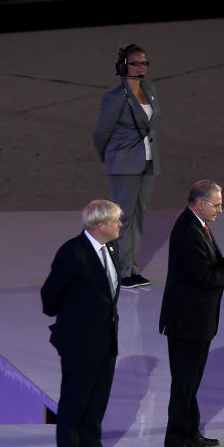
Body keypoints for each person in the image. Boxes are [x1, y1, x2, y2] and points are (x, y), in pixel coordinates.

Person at [159, 180, 224, 447]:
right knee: (184, 382)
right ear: (200, 204)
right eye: (216, 205)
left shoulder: (197, 225)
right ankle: (177, 440)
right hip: (186, 321)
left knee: (191, 380)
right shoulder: (188, 231)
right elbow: (201, 277)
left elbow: (206, 264)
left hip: (196, 320)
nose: (220, 210)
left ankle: (190, 432)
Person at [40, 199, 124, 447]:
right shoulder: (72, 252)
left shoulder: (111, 247)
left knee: (97, 401)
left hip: (106, 339)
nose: (120, 225)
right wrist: (73, 317)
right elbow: (49, 296)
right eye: (116, 221)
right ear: (100, 226)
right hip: (79, 342)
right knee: (74, 402)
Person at [92, 43, 161, 289]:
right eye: (136, 63)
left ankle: (132, 269)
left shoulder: (149, 88)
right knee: (124, 219)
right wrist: (112, 157)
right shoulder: (115, 97)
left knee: (139, 217)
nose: (141, 67)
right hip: (124, 165)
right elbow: (101, 133)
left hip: (148, 161)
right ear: (123, 66)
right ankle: (122, 271)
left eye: (144, 63)